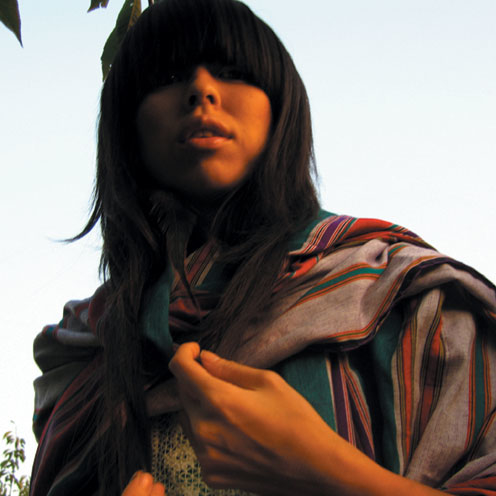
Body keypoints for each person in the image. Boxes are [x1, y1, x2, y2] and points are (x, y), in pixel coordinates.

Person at [30, 0, 496, 495]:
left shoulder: (406, 299)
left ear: (280, 107)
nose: (202, 90)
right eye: (167, 76)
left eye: (233, 72)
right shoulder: (85, 356)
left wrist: (327, 471)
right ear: (127, 126)